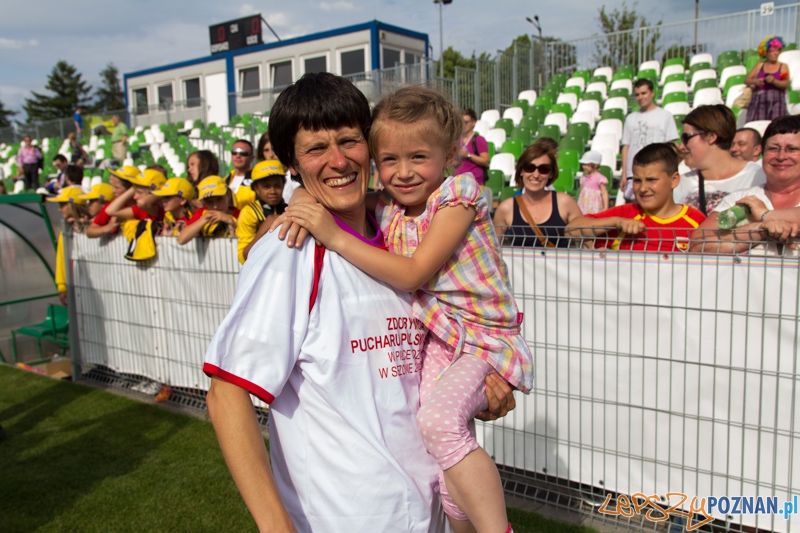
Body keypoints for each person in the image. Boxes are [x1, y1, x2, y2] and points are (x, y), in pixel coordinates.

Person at [204, 73, 514, 533]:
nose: (338, 160)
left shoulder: (400, 231)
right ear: (291, 162)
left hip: (428, 510)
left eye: (349, 141)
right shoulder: (290, 250)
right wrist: (276, 528)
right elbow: (226, 391)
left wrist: (480, 391)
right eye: (315, 150)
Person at [284, 85, 530, 533]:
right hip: (443, 338)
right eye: (390, 160)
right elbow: (326, 198)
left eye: (418, 157)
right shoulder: (393, 208)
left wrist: (335, 237)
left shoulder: (458, 196)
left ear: (451, 154)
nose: (403, 172)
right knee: (442, 456)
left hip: (481, 339)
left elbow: (414, 272)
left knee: (437, 422)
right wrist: (300, 198)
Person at [690, 115, 800, 255]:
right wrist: (759, 230)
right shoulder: (742, 198)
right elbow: (698, 245)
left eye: (792, 149)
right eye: (773, 148)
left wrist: (765, 215)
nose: (781, 156)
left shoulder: (754, 205)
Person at [566, 143, 706, 252]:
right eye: (637, 180)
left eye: (651, 180)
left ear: (674, 180)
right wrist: (616, 223)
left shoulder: (695, 221)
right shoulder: (624, 214)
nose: (643, 188)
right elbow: (570, 230)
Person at [674, 105, 766, 215]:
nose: (681, 147)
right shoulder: (679, 183)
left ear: (711, 137)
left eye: (686, 138)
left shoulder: (758, 176)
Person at [493, 141, 582, 247]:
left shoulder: (564, 202)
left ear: (551, 173)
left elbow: (587, 237)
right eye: (529, 168)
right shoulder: (507, 208)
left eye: (544, 169)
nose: (536, 175)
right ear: (521, 171)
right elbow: (492, 250)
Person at [620, 79, 680, 202]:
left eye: (643, 93)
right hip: (634, 174)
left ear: (652, 92)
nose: (640, 97)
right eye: (637, 94)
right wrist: (624, 174)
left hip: (655, 173)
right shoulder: (631, 118)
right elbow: (626, 146)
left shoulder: (665, 116)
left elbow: (672, 146)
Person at [237, 159, 287, 263]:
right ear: (256, 188)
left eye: (277, 185)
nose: (272, 191)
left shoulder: (288, 209)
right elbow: (244, 256)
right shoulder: (249, 212)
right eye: (266, 187)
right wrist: (264, 229)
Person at [47, 187, 90, 305]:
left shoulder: (95, 225)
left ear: (72, 205)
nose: (59, 209)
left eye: (62, 204)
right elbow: (61, 259)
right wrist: (62, 286)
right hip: (77, 287)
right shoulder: (65, 230)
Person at [177, 176, 239, 244]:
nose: (215, 206)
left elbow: (239, 245)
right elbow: (181, 240)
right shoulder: (202, 213)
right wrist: (204, 219)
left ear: (228, 195)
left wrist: (230, 221)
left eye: (219, 199)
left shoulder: (240, 214)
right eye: (209, 202)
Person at [745, 35, 790, 123]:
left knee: (777, 126)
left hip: (777, 101)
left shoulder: (783, 66)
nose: (776, 53)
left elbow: (786, 83)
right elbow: (746, 80)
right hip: (759, 101)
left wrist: (774, 81)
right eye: (773, 50)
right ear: (766, 52)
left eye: (778, 50)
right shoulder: (759, 65)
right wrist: (756, 81)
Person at [85, 166, 138, 238]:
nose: (113, 191)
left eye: (117, 187)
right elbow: (90, 231)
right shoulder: (111, 205)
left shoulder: (144, 205)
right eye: (113, 187)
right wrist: (107, 228)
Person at [453, 108, 489, 186]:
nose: (462, 125)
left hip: (475, 183)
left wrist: (468, 155)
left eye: (465, 122)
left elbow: (485, 161)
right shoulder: (457, 140)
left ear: (473, 122)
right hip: (458, 182)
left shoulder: (479, 139)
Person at [226, 139, 257, 207]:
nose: (238, 156)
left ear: (252, 158)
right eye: (234, 152)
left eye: (243, 153)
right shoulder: (224, 180)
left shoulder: (257, 178)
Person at [576, 150, 609, 215]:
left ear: (595, 165)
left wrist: (606, 208)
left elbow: (604, 194)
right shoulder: (583, 178)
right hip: (584, 205)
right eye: (583, 164)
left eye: (587, 165)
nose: (584, 166)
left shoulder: (600, 178)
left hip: (594, 206)